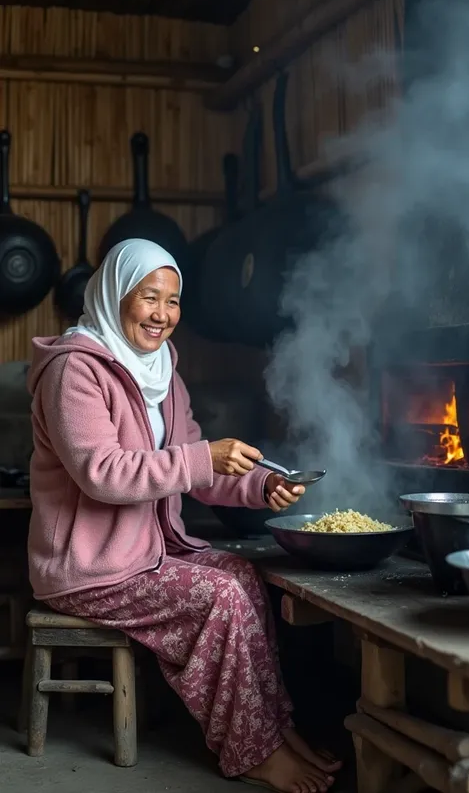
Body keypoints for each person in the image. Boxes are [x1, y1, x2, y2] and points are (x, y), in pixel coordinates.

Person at [27, 239, 341, 793]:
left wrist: (262, 483)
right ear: (115, 295)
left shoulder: (161, 369)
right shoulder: (74, 369)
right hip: (90, 567)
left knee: (242, 575)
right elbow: (102, 472)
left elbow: (196, 463)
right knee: (217, 595)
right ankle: (252, 752)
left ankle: (272, 730)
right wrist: (204, 456)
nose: (163, 315)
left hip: (148, 553)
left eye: (173, 302)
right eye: (150, 298)